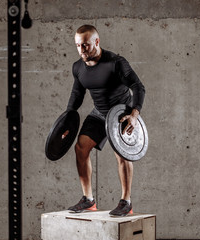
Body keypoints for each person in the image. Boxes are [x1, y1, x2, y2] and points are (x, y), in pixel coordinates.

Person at [66, 24, 145, 216]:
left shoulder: (116, 62)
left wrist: (134, 116)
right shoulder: (78, 68)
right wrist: (67, 121)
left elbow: (138, 87)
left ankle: (126, 202)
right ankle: (88, 200)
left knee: (122, 155)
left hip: (120, 113)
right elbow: (77, 95)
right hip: (99, 113)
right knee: (81, 148)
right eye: (78, 46)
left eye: (85, 45)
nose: (81, 50)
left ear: (97, 42)